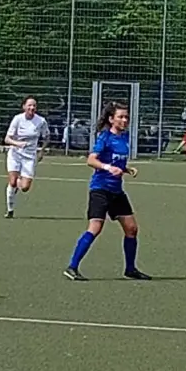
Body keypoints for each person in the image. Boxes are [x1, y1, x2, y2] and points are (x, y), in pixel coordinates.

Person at [65, 102, 150, 281]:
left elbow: (116, 161)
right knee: (95, 228)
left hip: (116, 191)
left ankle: (130, 269)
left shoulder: (124, 138)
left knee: (132, 229)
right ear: (111, 119)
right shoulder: (104, 137)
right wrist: (107, 167)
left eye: (126, 117)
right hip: (100, 189)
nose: (124, 120)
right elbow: (91, 160)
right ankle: (72, 267)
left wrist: (126, 169)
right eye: (120, 117)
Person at [3, 97, 49, 218]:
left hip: (29, 156)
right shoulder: (18, 119)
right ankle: (10, 210)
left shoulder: (41, 121)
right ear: (24, 107)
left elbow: (46, 137)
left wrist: (41, 151)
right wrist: (18, 144)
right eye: (29, 105)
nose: (32, 108)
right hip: (15, 154)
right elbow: (7, 139)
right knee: (12, 182)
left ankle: (17, 184)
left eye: (34, 106)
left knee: (25, 187)